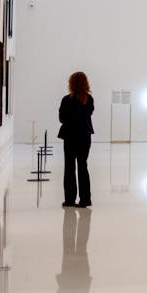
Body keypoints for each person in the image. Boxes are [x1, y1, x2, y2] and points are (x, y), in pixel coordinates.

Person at [58, 71, 95, 208]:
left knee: (69, 167)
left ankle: (69, 200)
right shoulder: (89, 99)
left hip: (70, 136)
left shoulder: (66, 100)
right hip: (84, 136)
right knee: (82, 166)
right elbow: (88, 114)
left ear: (71, 83)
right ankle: (85, 199)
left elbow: (62, 119)